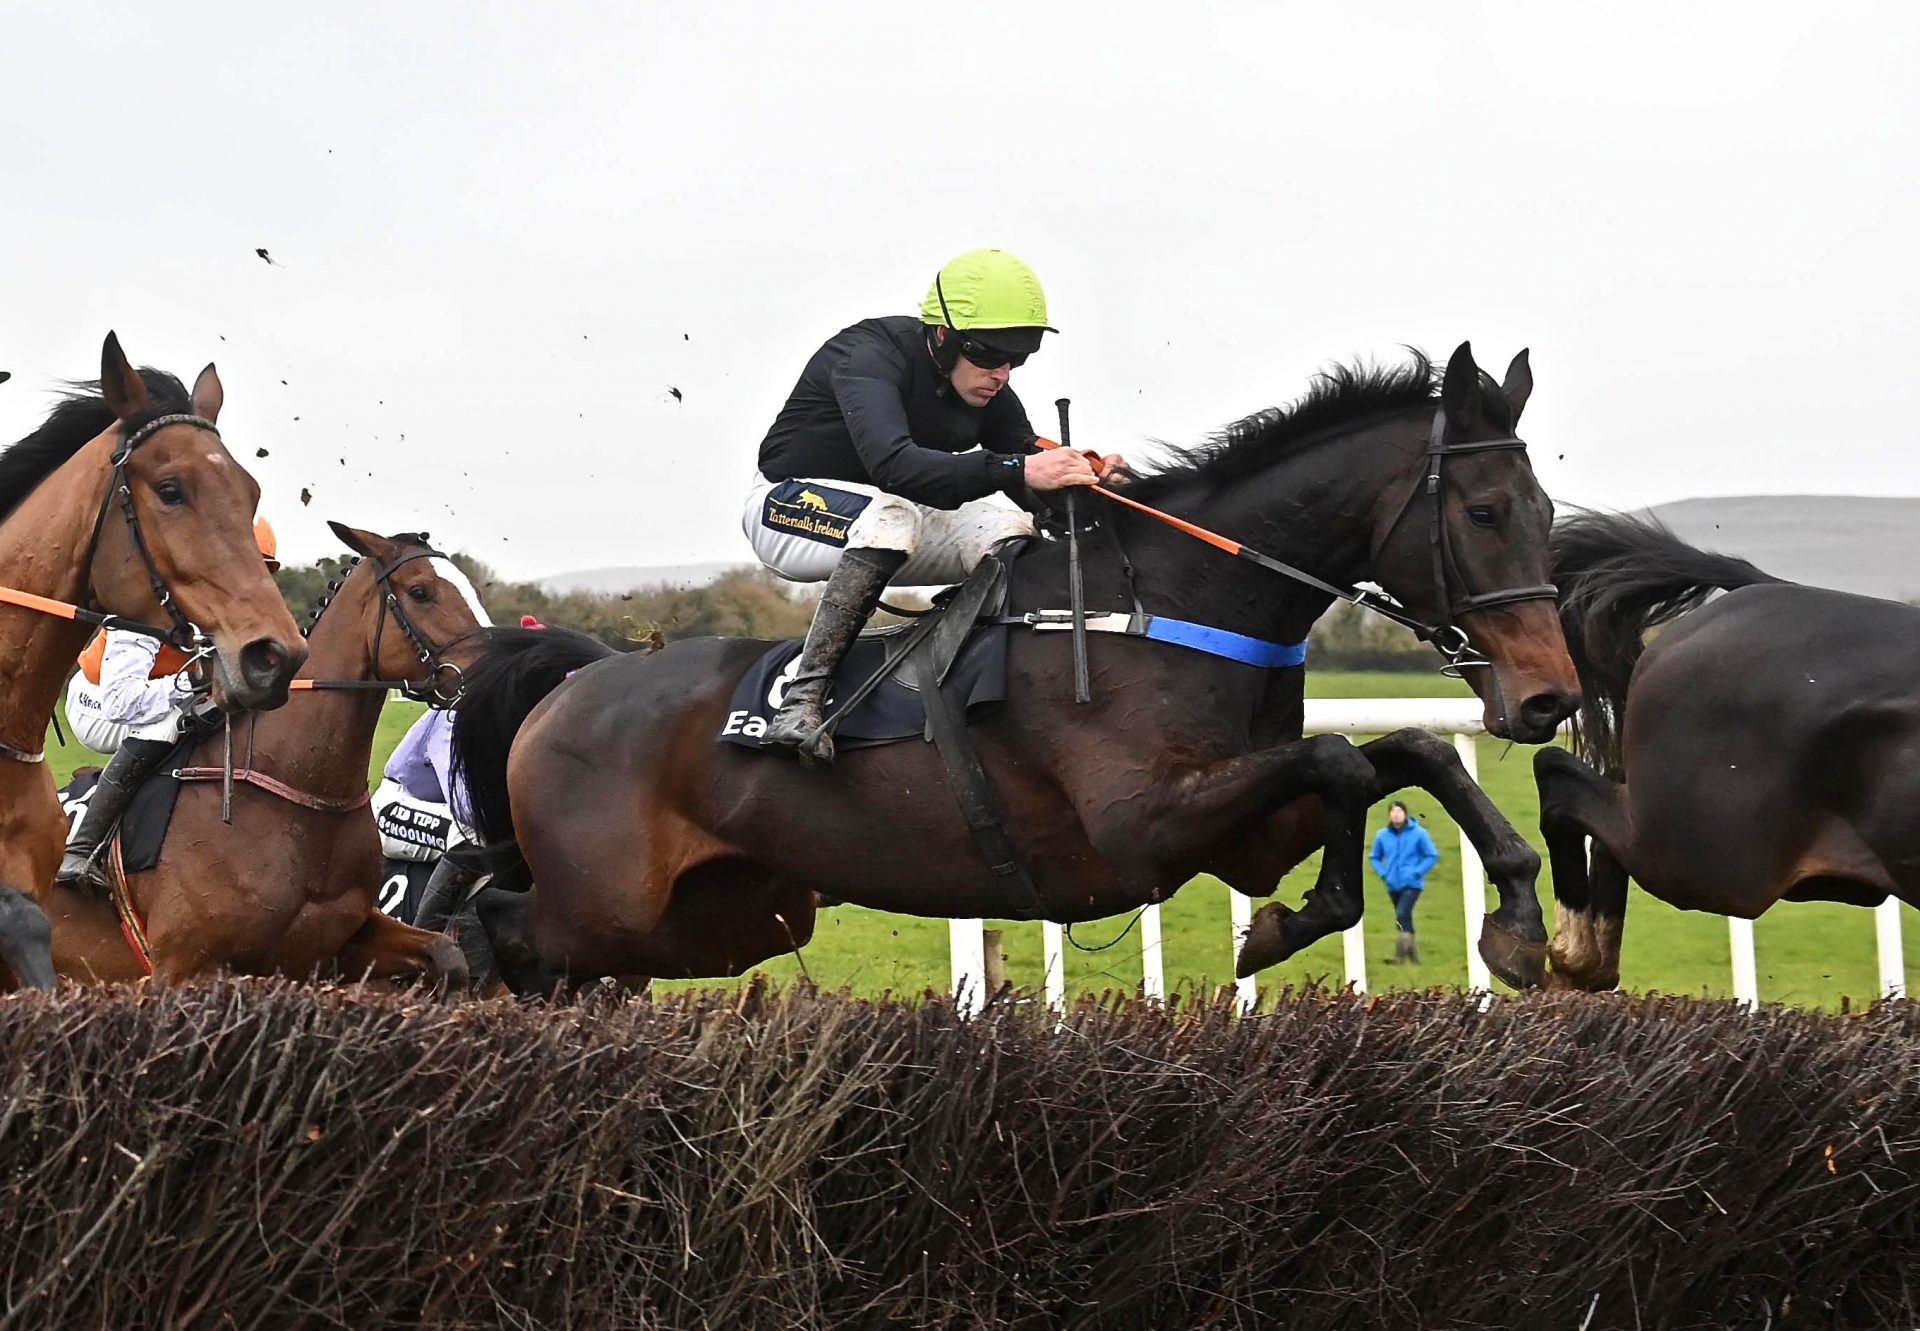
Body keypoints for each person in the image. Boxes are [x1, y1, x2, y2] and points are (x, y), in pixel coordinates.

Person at [742, 248, 1126, 763]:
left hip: (893, 523)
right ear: (943, 336)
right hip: (786, 508)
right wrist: (1017, 468)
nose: (1003, 374)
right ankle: (803, 699)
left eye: (1018, 358)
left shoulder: (988, 394)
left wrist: (1093, 479)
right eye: (990, 356)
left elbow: (1027, 473)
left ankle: (962, 679)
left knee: (1010, 528)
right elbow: (895, 469)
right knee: (891, 516)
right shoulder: (868, 356)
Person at [57, 517, 281, 892]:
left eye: (261, 571)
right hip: (97, 703)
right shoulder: (145, 603)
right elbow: (121, 703)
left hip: (150, 695)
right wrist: (194, 682)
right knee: (170, 722)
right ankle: (78, 852)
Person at [1370, 800, 1440, 964]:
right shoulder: (1382, 835)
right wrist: (1384, 873)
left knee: (1402, 913)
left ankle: (1399, 956)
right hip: (1393, 883)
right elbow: (1375, 857)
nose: (1396, 815)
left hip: (1412, 883)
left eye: (1399, 811)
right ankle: (1414, 958)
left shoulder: (1419, 833)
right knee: (1403, 917)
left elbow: (1431, 855)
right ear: (1389, 815)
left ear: (1405, 813)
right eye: (1393, 812)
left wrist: (1417, 871)